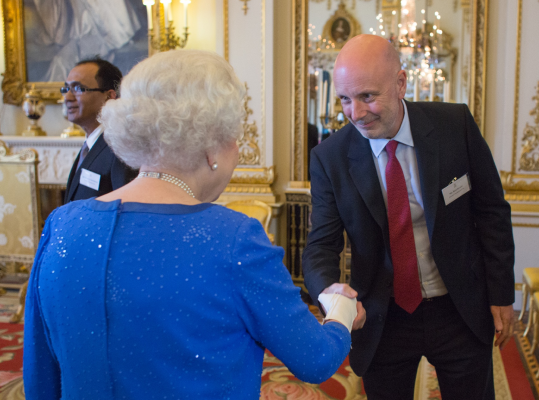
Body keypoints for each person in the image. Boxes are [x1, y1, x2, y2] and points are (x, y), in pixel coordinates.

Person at [24, 50, 366, 400]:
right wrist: (341, 307)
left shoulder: (62, 225)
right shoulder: (234, 239)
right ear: (211, 148)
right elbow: (317, 359)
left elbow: (40, 378)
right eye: (236, 136)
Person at [302, 34, 515, 400]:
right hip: (383, 316)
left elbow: (492, 212)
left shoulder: (454, 126)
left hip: (459, 307)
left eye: (368, 96)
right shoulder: (330, 157)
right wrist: (327, 290)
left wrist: (502, 294)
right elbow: (320, 244)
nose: (356, 113)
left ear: (401, 83)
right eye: (345, 99)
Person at [63, 58, 138, 204]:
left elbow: (126, 207)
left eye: (78, 89)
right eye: (66, 89)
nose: (67, 97)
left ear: (109, 96)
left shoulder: (120, 147)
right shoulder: (90, 144)